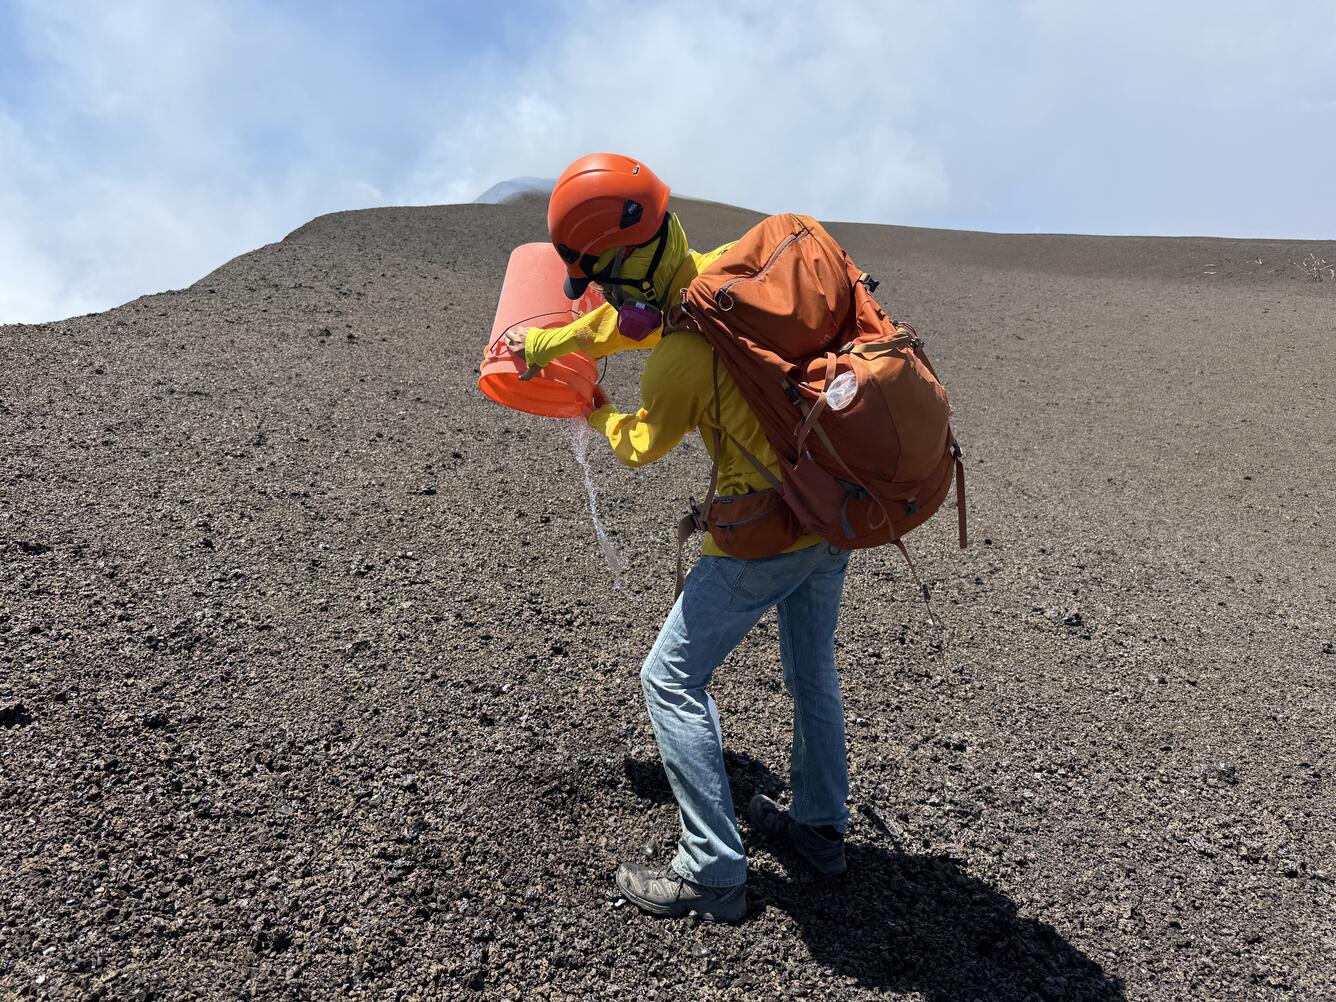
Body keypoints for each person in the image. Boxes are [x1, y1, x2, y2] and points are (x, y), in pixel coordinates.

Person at [522, 153, 851, 923]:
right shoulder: (717, 275)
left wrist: (595, 408)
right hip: (833, 509)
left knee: (668, 680)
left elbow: (638, 445)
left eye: (599, 275)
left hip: (763, 535)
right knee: (812, 673)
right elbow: (626, 321)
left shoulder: (679, 362)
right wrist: (545, 346)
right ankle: (820, 831)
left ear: (633, 263)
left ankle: (711, 872)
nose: (596, 293)